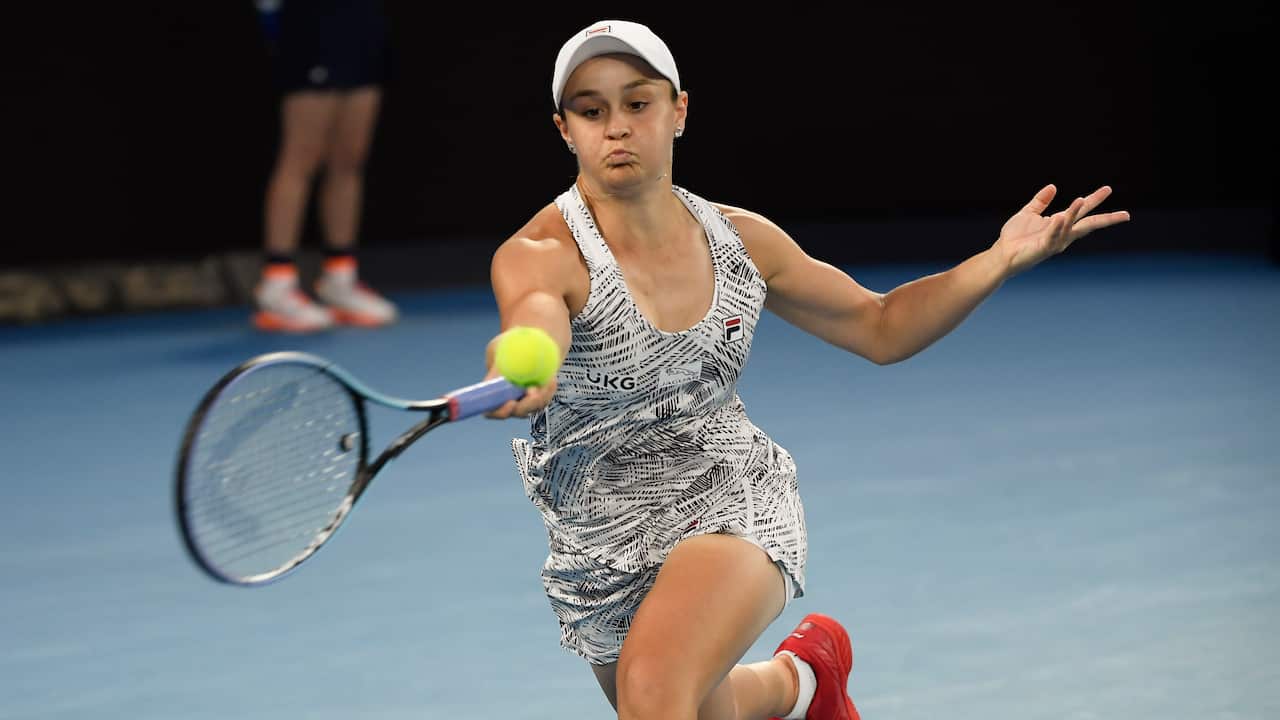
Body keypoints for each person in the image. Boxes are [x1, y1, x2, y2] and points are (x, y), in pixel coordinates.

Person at [483, 20, 1130, 720]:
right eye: (592, 110)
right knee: (705, 707)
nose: (616, 127)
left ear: (679, 111)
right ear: (565, 129)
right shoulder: (541, 252)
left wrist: (996, 260)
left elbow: (880, 326)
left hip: (726, 493)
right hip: (597, 534)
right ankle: (804, 681)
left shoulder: (744, 241)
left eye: (637, 103)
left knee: (655, 693)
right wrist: (527, 365)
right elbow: (532, 317)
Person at [251, 0, 398, 332]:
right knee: (302, 157)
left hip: (361, 20)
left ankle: (339, 278)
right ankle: (277, 284)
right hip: (311, 24)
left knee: (349, 158)